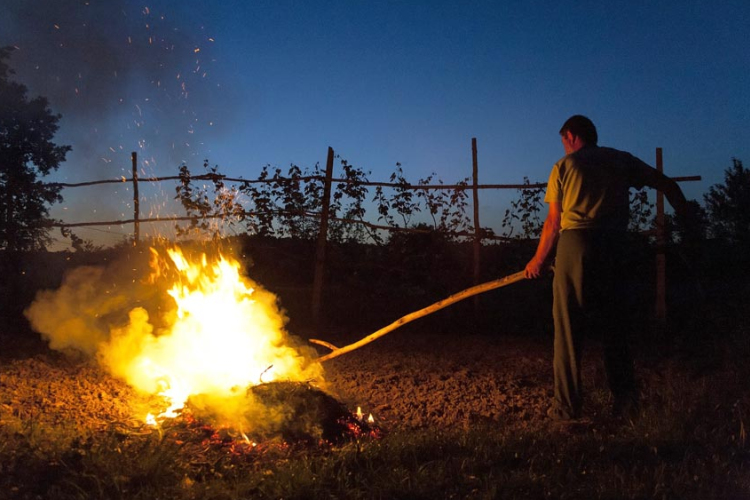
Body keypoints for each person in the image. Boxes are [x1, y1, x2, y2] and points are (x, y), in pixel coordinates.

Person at [525, 115, 688, 421]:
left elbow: (553, 222)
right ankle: (626, 405)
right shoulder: (620, 160)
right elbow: (666, 184)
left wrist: (538, 260)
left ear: (571, 136)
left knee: (568, 329)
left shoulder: (564, 167)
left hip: (577, 245)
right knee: (615, 327)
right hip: (615, 247)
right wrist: (688, 219)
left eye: (563, 142)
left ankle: (567, 409)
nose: (563, 149)